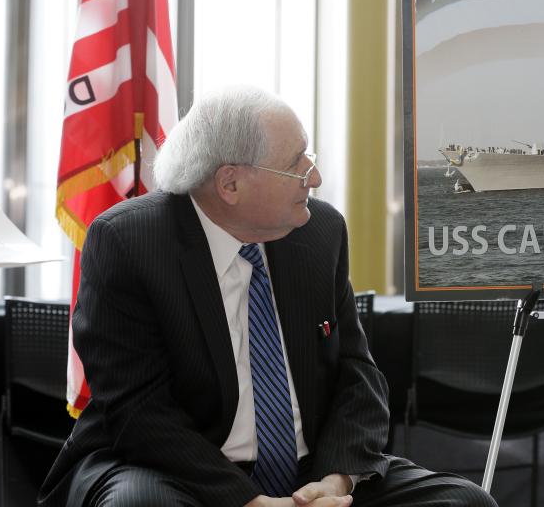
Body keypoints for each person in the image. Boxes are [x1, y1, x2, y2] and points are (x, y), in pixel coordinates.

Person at [39, 86, 497, 507]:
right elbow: (138, 411)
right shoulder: (129, 242)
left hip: (311, 473)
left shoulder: (319, 231)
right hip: (177, 470)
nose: (314, 178)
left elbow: (358, 376)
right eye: (297, 163)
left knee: (466, 502)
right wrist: (247, 501)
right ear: (230, 184)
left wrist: (336, 480)